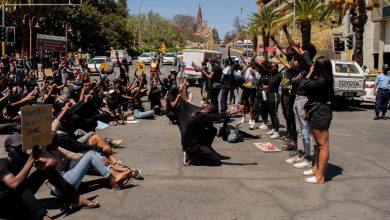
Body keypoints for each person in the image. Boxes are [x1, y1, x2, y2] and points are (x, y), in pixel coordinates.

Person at [0, 134, 98, 219]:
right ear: (8, 148)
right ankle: (43, 216)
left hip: (18, 200)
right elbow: (13, 184)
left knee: (46, 170)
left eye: (21, 147)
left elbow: (53, 162)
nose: (19, 150)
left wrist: (42, 160)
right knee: (20, 187)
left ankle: (74, 199)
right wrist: (31, 159)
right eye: (16, 148)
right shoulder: (2, 163)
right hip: (5, 205)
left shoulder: (24, 158)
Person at [300, 56, 334, 184]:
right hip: (317, 111)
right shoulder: (325, 78)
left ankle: (320, 177)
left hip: (320, 112)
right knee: (319, 145)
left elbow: (301, 86)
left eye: (315, 65)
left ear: (319, 68)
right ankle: (316, 169)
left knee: (322, 145)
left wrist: (309, 72)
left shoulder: (321, 81)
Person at [179, 100, 245, 166]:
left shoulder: (198, 112)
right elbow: (222, 115)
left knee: (212, 130)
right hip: (192, 146)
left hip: (188, 142)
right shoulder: (204, 117)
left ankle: (205, 148)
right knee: (216, 161)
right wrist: (239, 110)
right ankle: (193, 159)